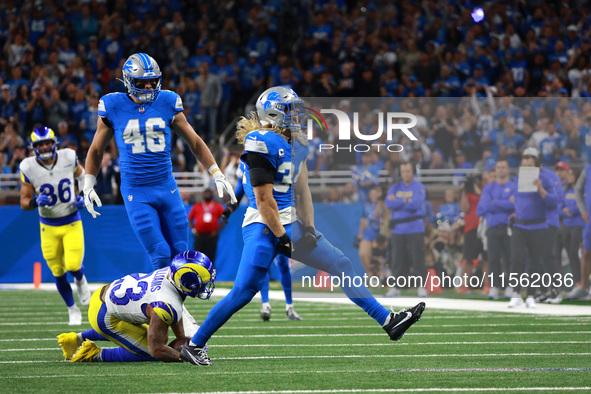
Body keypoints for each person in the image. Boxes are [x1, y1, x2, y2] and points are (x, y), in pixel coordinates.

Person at [180, 87, 425, 365]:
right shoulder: (260, 141)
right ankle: (195, 344)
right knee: (244, 292)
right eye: (289, 109)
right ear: (272, 113)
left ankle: (388, 320)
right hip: (262, 225)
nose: (296, 115)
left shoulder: (298, 143)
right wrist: (281, 235)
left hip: (290, 222)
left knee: (341, 263)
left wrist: (308, 227)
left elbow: (303, 190)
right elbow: (263, 199)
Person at [82, 53, 235, 337]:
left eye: (154, 81)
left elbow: (195, 141)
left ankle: (174, 310)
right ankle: (178, 317)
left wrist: (215, 171)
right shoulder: (113, 105)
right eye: (143, 82)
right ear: (129, 82)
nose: (150, 88)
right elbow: (95, 149)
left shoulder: (167, 101)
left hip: (167, 187)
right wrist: (88, 182)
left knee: (182, 254)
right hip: (136, 192)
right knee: (160, 253)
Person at [56, 251, 215, 363]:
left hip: (105, 294)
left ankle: (75, 339)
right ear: (185, 282)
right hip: (105, 316)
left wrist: (182, 339)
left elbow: (176, 310)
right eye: (201, 283)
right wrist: (184, 357)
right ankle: (93, 354)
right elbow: (157, 350)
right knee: (150, 352)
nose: (205, 286)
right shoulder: (165, 304)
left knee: (138, 332)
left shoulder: (169, 272)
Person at [19, 126, 90, 325]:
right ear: (33, 147)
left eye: (47, 143)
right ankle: (72, 309)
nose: (44, 147)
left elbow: (83, 176)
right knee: (57, 271)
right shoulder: (28, 166)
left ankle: (80, 280)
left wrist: (84, 196)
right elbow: (24, 202)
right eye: (40, 144)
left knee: (74, 265)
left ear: (54, 143)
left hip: (71, 220)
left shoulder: (68, 156)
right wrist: (34, 202)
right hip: (48, 226)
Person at [223, 160, 302, 321]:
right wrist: (230, 208)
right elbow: (239, 189)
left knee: (282, 263)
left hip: (278, 215)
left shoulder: (268, 158)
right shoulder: (245, 162)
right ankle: (265, 304)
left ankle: (289, 306)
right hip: (259, 219)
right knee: (262, 264)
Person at [507, 147, 558, 308]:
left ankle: (531, 294)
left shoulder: (545, 178)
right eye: (525, 164)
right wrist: (517, 211)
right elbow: (516, 198)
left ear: (537, 164)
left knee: (535, 262)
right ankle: (516, 293)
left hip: (539, 225)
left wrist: (541, 189)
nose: (527, 168)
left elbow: (553, 202)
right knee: (516, 259)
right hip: (520, 225)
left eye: (530, 164)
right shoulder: (517, 179)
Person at [385, 162, 428, 298]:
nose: (406, 174)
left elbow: (415, 204)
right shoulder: (394, 187)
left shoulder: (419, 187)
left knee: (417, 258)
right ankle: (396, 287)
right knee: (397, 259)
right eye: (403, 171)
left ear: (413, 172)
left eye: (408, 171)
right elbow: (388, 203)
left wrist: (398, 200)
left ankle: (421, 286)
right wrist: (405, 200)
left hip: (415, 227)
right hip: (398, 229)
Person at [476, 159, 514, 300]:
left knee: (510, 259)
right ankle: (494, 287)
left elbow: (515, 206)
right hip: (492, 228)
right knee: (493, 260)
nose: (501, 170)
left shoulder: (513, 186)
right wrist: (505, 203)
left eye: (504, 167)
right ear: (495, 170)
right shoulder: (488, 188)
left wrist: (495, 202)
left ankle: (510, 287)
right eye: (499, 167)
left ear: (508, 169)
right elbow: (482, 208)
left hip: (508, 228)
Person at [560, 168, 584, 297]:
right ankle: (577, 283)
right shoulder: (566, 190)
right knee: (570, 255)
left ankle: (582, 283)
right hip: (567, 225)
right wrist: (564, 211)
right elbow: (559, 206)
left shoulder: (581, 191)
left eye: (571, 174)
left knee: (575, 253)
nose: (569, 176)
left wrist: (572, 210)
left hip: (578, 225)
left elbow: (582, 207)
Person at [188, 189, 225, 263]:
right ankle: (197, 273)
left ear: (212, 195)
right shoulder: (197, 206)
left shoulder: (217, 206)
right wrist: (193, 230)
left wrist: (217, 230)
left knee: (211, 256)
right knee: (197, 257)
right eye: (205, 193)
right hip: (199, 235)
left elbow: (225, 218)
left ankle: (211, 273)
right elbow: (189, 218)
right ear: (203, 195)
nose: (207, 194)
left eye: (209, 193)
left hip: (211, 235)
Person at [573, 162, 591, 300]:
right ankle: (584, 288)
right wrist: (582, 209)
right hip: (589, 220)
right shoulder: (588, 170)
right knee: (586, 253)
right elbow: (578, 189)